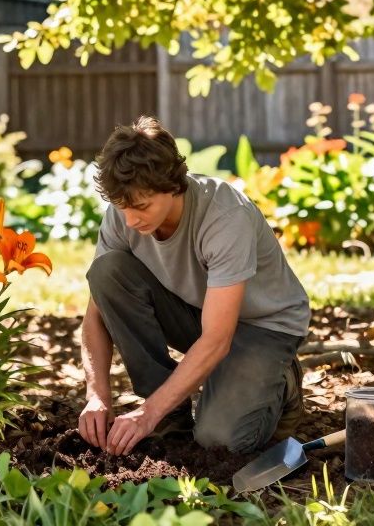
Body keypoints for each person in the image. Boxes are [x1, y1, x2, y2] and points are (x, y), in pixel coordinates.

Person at [77, 116, 311, 456]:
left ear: (173, 185)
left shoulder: (225, 217)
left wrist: (145, 415)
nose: (130, 220)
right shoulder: (125, 214)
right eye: (121, 207)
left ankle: (282, 380)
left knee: (220, 441)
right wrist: (96, 395)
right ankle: (169, 411)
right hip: (202, 314)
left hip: (263, 327)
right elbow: (96, 314)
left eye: (141, 207)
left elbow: (217, 339)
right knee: (106, 272)